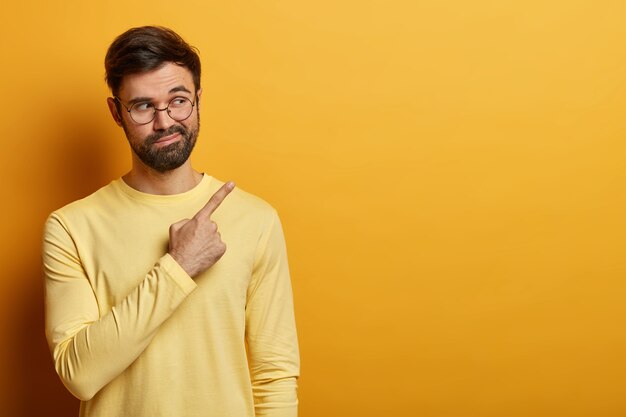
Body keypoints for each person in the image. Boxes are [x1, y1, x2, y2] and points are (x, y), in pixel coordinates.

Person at [42, 26, 300, 417]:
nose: (164, 123)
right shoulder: (71, 227)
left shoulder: (256, 219)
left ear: (198, 100)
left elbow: (274, 374)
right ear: (116, 112)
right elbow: (79, 373)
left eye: (178, 100)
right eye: (143, 106)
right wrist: (178, 267)